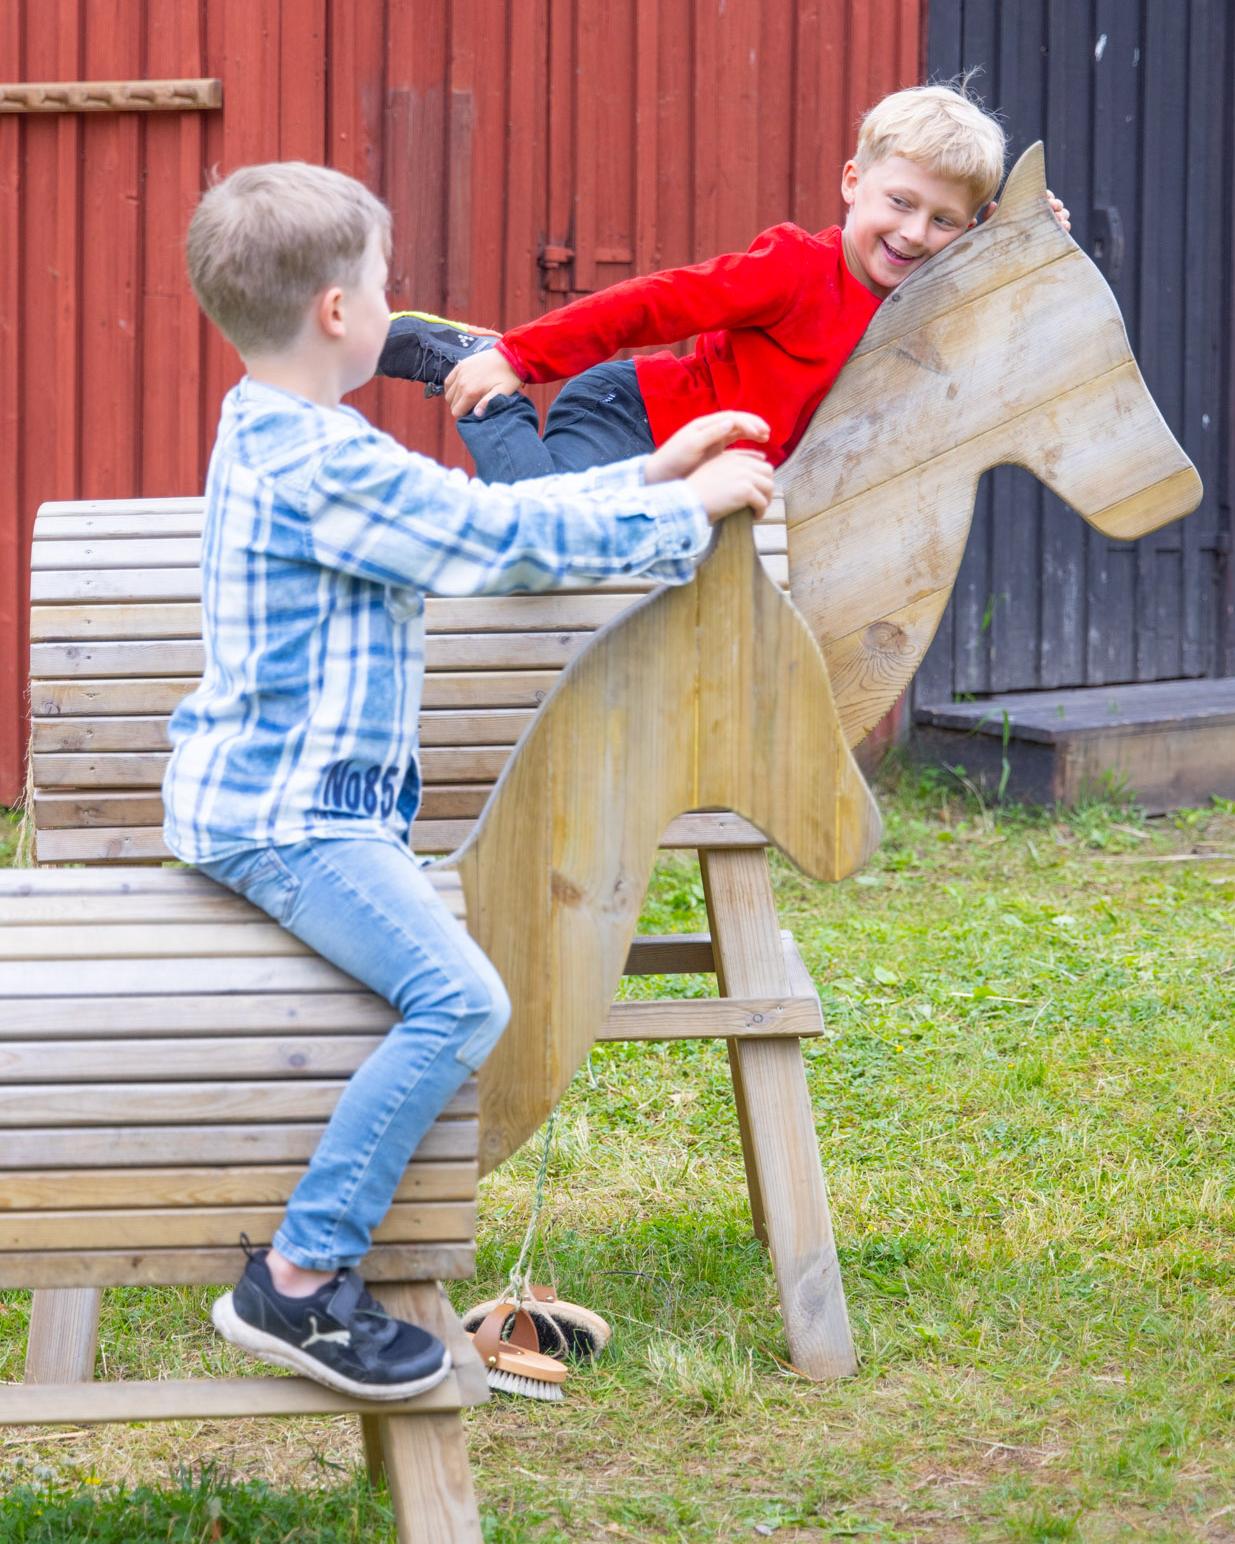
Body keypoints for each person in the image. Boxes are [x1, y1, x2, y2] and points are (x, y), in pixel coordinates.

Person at [162, 160, 774, 1400]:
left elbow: (465, 509)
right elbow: (493, 541)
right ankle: (295, 1283)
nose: (398, 307)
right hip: (291, 822)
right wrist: (686, 512)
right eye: (385, 285)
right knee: (461, 1001)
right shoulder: (322, 460)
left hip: (275, 800)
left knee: (453, 988)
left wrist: (646, 471)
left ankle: (317, 1275)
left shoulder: (280, 428)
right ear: (339, 311)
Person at [378, 80, 1070, 482]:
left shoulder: (935, 305)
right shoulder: (797, 270)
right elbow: (651, 305)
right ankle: (475, 370)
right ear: (853, 184)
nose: (915, 233)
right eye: (899, 203)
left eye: (943, 220)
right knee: (542, 532)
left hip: (721, 491)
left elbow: (1012, 354)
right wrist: (518, 357)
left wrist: (1019, 250)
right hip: (635, 422)